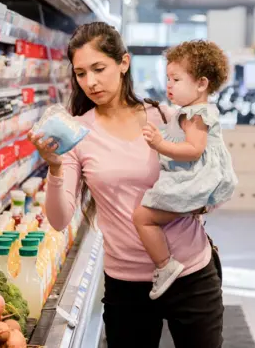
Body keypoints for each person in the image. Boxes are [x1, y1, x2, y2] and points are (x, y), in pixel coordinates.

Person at [28, 22, 225, 348]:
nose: (90, 82)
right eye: (80, 73)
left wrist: (203, 200)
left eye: (99, 68)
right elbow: (60, 219)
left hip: (190, 273)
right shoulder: (77, 133)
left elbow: (209, 177)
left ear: (123, 63)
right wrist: (54, 166)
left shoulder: (164, 116)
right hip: (127, 285)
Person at [133, 40, 237, 300]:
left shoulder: (196, 115)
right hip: (197, 178)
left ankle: (165, 264)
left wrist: (160, 144)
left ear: (201, 84)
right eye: (168, 78)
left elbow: (194, 149)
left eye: (176, 79)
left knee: (143, 217)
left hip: (195, 180)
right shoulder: (189, 111)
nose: (169, 85)